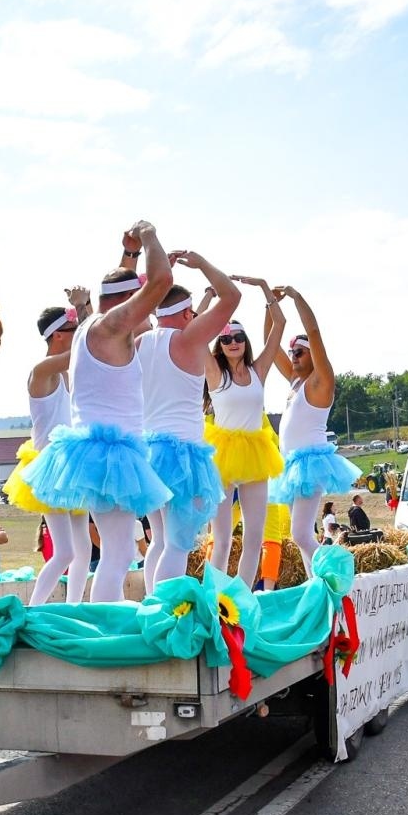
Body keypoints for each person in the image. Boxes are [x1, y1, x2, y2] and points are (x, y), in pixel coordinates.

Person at [22, 222, 174, 602]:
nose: (148, 315)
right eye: (140, 304)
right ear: (127, 303)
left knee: (114, 551)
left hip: (101, 452)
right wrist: (150, 235)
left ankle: (104, 613)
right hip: (110, 454)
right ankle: (105, 622)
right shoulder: (107, 327)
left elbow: (115, 291)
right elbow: (161, 282)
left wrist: (130, 253)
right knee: (117, 553)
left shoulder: (95, 325)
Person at [137, 253, 240, 592]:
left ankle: (149, 606)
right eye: (193, 314)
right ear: (185, 314)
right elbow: (232, 297)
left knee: (160, 541)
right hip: (181, 455)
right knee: (179, 544)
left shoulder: (140, 341)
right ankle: (163, 613)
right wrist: (203, 264)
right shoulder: (187, 339)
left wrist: (152, 276)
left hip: (147, 451)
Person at [5, 294, 92, 605]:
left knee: (84, 550)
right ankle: (33, 609)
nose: (79, 335)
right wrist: (86, 312)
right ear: (58, 334)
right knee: (66, 551)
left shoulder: (66, 374)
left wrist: (85, 311)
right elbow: (89, 347)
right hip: (50, 469)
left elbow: (88, 348)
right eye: (73, 330)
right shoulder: (43, 371)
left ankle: (75, 607)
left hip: (74, 467)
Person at [271, 286, 360, 575]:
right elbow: (268, 345)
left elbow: (315, 332)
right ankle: (315, 584)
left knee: (300, 533)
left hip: (311, 463)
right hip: (292, 464)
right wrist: (268, 301)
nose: (293, 357)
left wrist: (296, 298)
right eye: (292, 352)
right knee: (301, 537)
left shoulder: (320, 382)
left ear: (312, 355)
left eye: (299, 352)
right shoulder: (295, 383)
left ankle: (333, 574)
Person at [203, 278, 286, 587]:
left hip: (254, 455)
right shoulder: (214, 371)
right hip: (221, 457)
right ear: (220, 345)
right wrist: (208, 298)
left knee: (254, 537)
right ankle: (214, 598)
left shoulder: (258, 371)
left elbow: (279, 325)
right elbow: (195, 334)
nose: (233, 342)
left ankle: (242, 598)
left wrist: (265, 288)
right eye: (226, 338)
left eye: (238, 336)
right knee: (221, 539)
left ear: (245, 340)